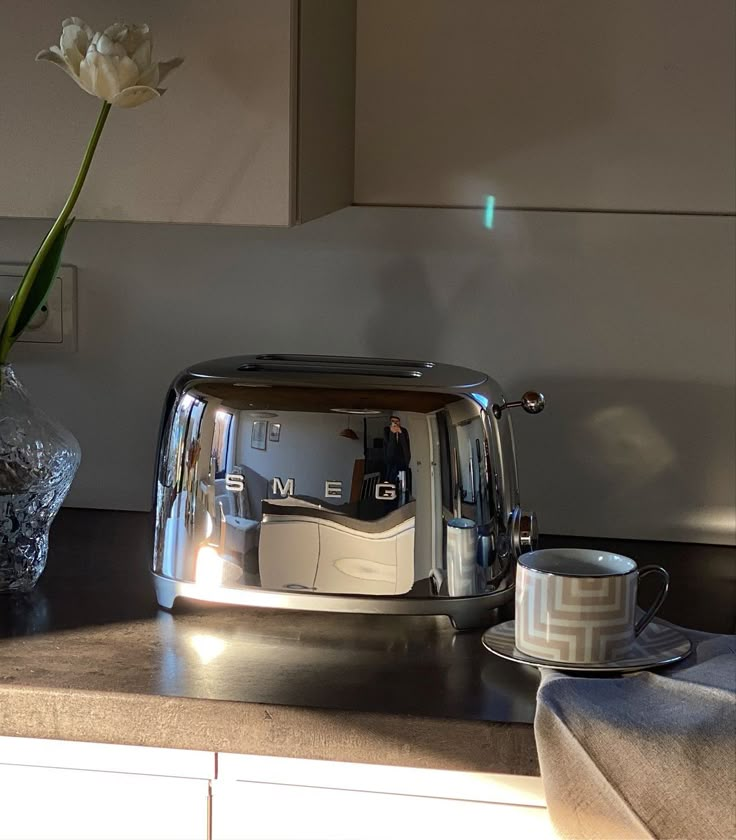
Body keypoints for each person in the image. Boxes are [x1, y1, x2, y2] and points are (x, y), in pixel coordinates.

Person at [383, 415, 411, 493]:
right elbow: (389, 447)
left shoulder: (404, 430)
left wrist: (400, 433)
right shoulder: (387, 430)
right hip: (391, 459)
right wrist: (392, 433)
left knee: (403, 483)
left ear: (400, 422)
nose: (395, 423)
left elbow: (406, 445)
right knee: (390, 482)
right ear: (390, 422)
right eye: (393, 421)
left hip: (402, 460)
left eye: (397, 421)